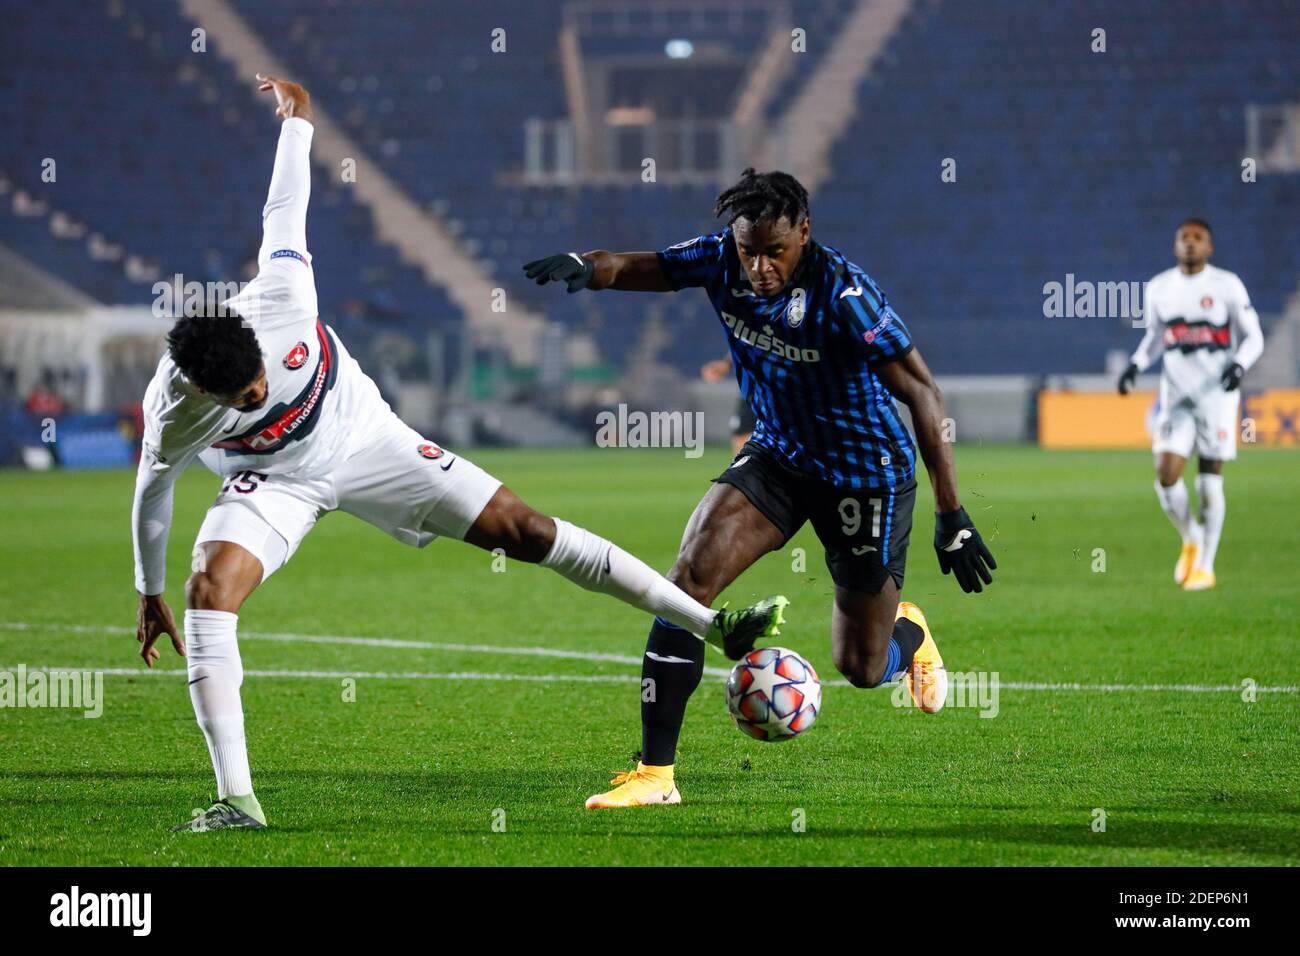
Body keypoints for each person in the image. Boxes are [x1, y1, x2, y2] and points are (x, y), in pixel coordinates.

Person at [134, 78, 788, 832]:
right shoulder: (172, 409)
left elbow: (283, 205)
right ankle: (236, 801)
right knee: (208, 596)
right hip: (273, 482)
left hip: (366, 439)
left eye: (259, 382)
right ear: (200, 392)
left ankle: (714, 625)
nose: (256, 396)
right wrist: (149, 588)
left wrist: (298, 121)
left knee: (526, 530)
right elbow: (152, 495)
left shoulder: (284, 295)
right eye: (240, 399)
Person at [524, 168, 995, 809]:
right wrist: (587, 265)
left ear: (804, 233)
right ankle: (655, 774)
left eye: (774, 251)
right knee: (685, 583)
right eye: (750, 250)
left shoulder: (845, 294)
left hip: (866, 475)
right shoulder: (723, 260)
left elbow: (921, 393)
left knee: (859, 666)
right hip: (779, 454)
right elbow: (646, 267)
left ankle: (905, 635)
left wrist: (952, 513)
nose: (759, 267)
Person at [1118, 219, 1263, 591]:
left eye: (1198, 238)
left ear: (1210, 248)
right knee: (1166, 478)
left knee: (1208, 481)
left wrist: (1239, 364)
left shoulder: (1226, 285)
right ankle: (1192, 537)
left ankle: (1206, 566)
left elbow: (1254, 337)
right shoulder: (1160, 288)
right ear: (1175, 245)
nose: (1191, 244)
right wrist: (1135, 364)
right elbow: (1155, 336)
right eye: (1185, 238)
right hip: (1176, 397)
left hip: (1217, 397)